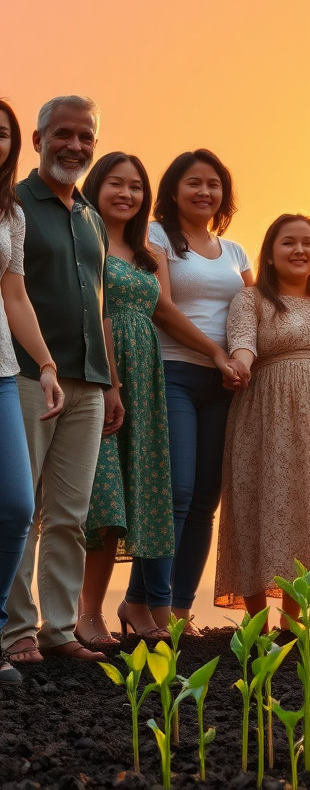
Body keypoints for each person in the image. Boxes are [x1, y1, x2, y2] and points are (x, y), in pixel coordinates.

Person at [4, 94, 123, 666]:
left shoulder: (91, 218)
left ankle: (58, 630)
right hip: (27, 376)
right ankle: (16, 632)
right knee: (22, 508)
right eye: (64, 134)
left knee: (71, 516)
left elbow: (98, 306)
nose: (75, 146)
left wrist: (111, 383)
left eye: (86, 138)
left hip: (88, 383)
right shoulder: (14, 206)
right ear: (38, 139)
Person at [215, 214, 310, 624]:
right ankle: (255, 617)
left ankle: (294, 615)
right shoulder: (252, 300)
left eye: (308, 243)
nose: (300, 250)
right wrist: (239, 365)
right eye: (288, 243)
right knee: (256, 504)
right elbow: (243, 342)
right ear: (269, 254)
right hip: (266, 415)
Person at [139, 150, 252, 635]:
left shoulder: (236, 252)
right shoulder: (157, 236)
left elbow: (256, 309)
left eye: (213, 184)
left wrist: (238, 361)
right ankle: (155, 609)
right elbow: (161, 306)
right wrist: (215, 352)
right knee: (176, 494)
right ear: (173, 190)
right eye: (193, 183)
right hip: (173, 372)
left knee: (207, 498)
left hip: (223, 384)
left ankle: (178, 612)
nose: (205, 192)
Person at [77, 153, 176, 647]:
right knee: (101, 498)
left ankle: (92, 611)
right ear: (95, 186)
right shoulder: (86, 240)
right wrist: (111, 383)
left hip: (146, 380)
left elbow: (166, 313)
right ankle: (81, 611)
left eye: (136, 187)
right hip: (100, 374)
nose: (127, 194)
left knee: (128, 499)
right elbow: (96, 315)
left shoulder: (145, 256)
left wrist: (219, 354)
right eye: (116, 183)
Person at [0, 100, 65, 683]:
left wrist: (44, 363)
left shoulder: (11, 213)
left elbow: (15, 296)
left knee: (19, 506)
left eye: (0, 134)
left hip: (1, 371)